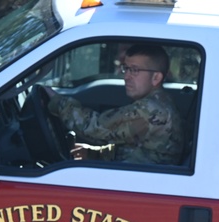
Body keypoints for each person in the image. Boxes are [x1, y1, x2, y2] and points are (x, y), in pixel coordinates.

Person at [44, 43, 185, 164]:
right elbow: (133, 148)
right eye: (126, 68)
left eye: (134, 70)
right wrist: (94, 154)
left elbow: (95, 128)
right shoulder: (161, 102)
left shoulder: (150, 110)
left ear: (156, 78)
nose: (126, 76)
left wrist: (58, 101)